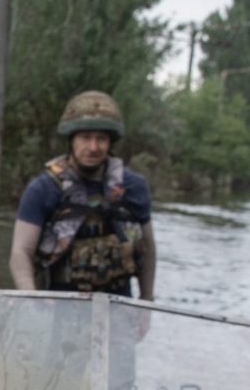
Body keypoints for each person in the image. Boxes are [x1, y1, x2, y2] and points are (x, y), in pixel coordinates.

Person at [8, 90, 156, 299]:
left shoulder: (133, 187)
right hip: (58, 304)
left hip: (119, 306)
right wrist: (30, 298)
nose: (93, 147)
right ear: (72, 140)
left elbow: (147, 250)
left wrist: (146, 301)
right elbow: (21, 252)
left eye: (101, 139)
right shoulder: (44, 189)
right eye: (85, 138)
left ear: (110, 142)